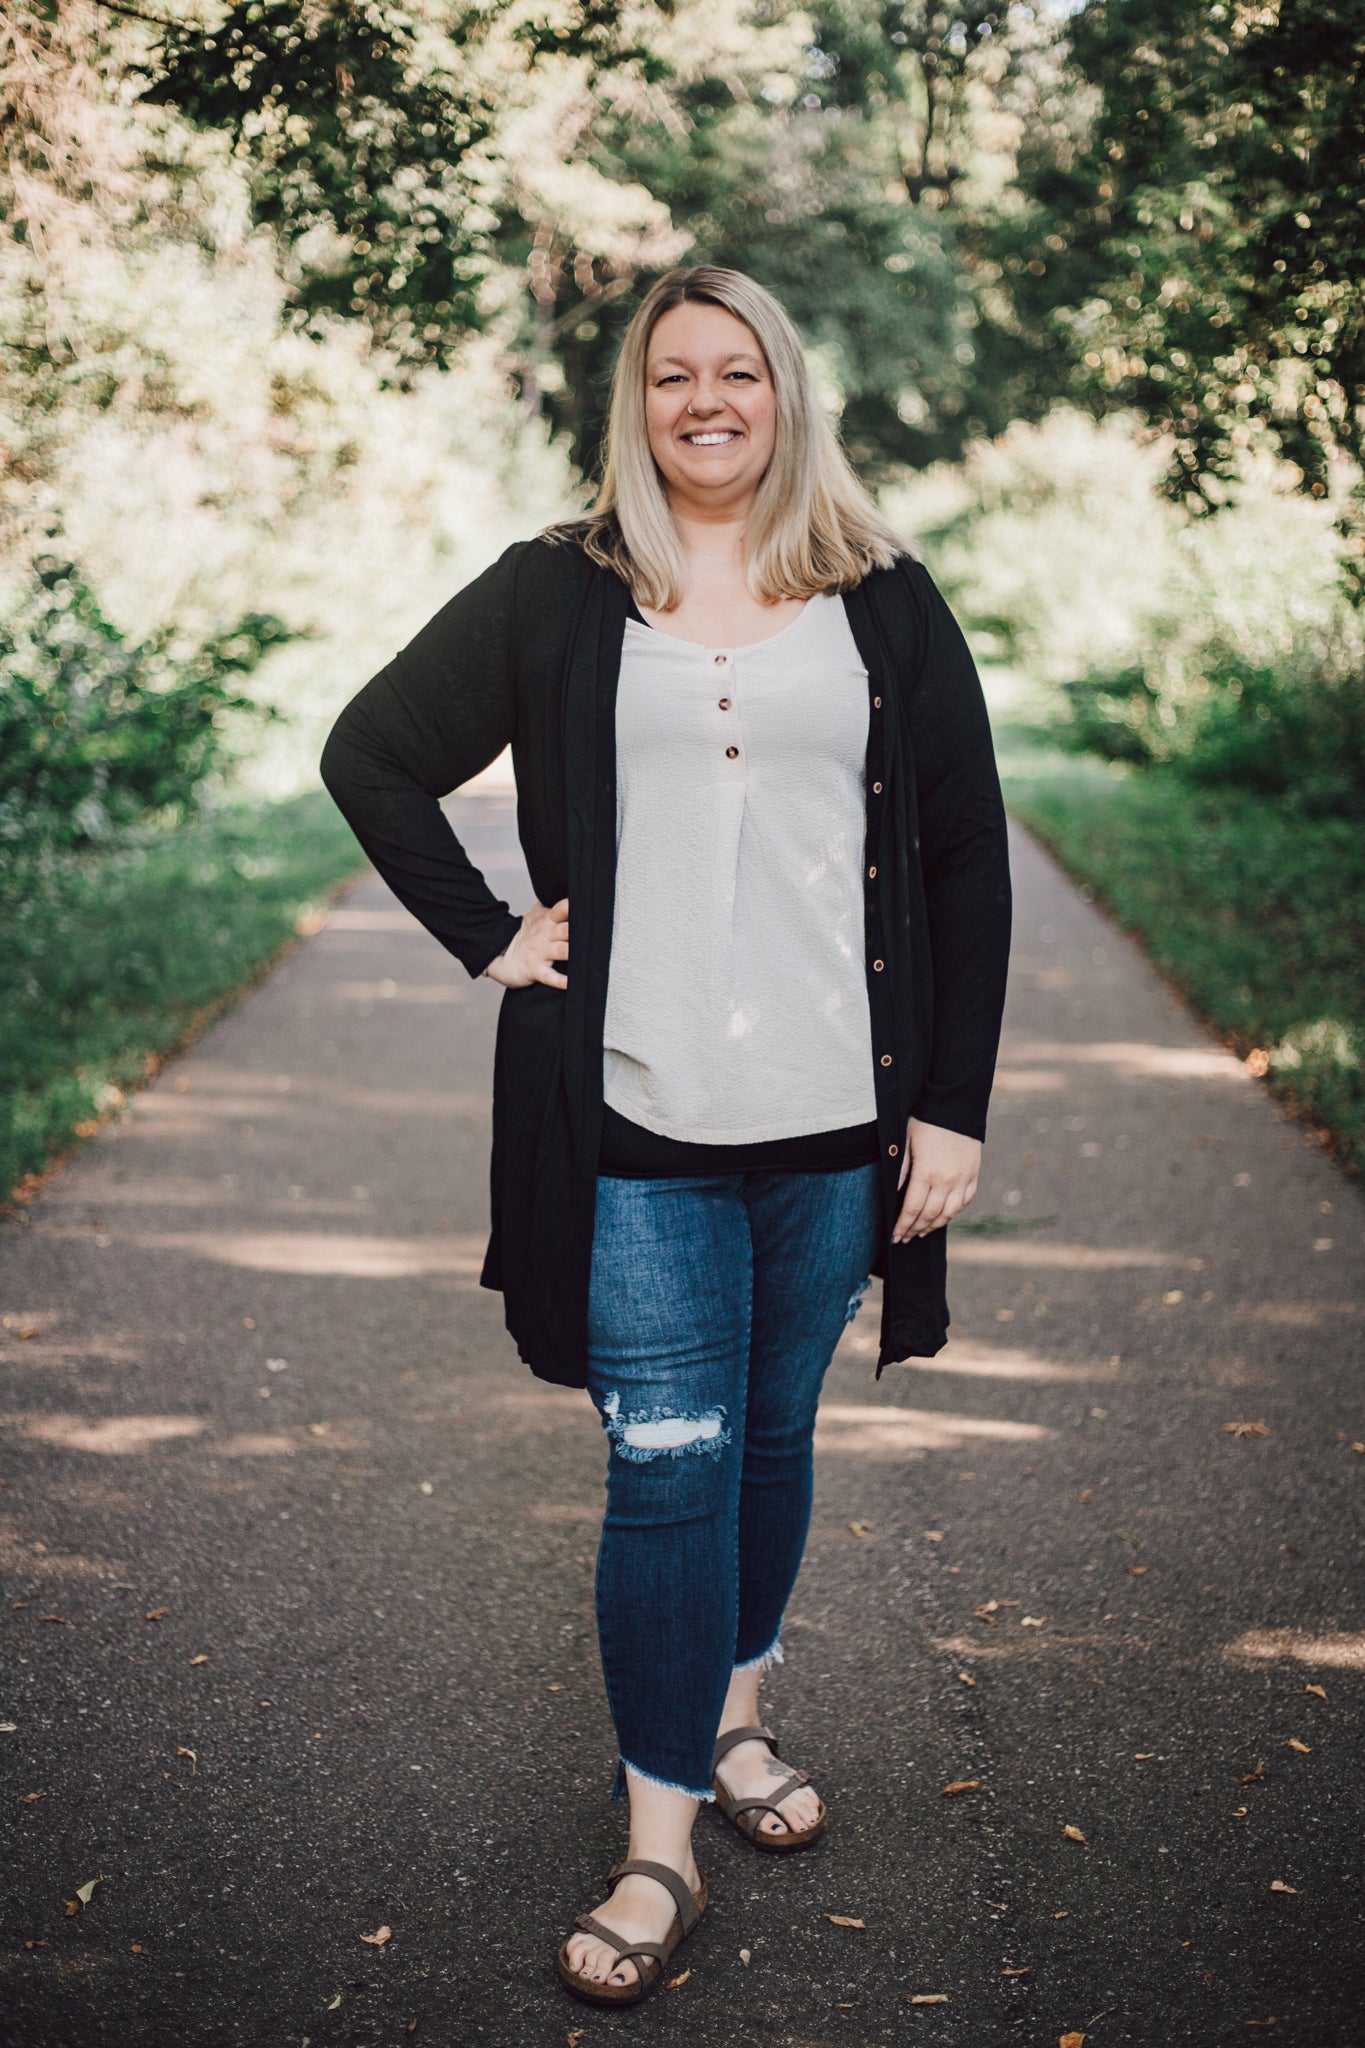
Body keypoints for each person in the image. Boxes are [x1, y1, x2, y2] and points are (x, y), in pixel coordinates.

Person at [320, 265, 1012, 2008]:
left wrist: (950, 1109)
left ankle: (738, 1723)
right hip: (629, 1115)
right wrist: (493, 934)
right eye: (671, 376)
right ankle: (658, 1845)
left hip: (838, 1125)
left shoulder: (882, 597)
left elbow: (962, 863)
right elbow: (371, 752)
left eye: (739, 372)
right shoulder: (562, 590)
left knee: (769, 1438)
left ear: (787, 394)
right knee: (663, 1465)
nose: (706, 401)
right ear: (635, 405)